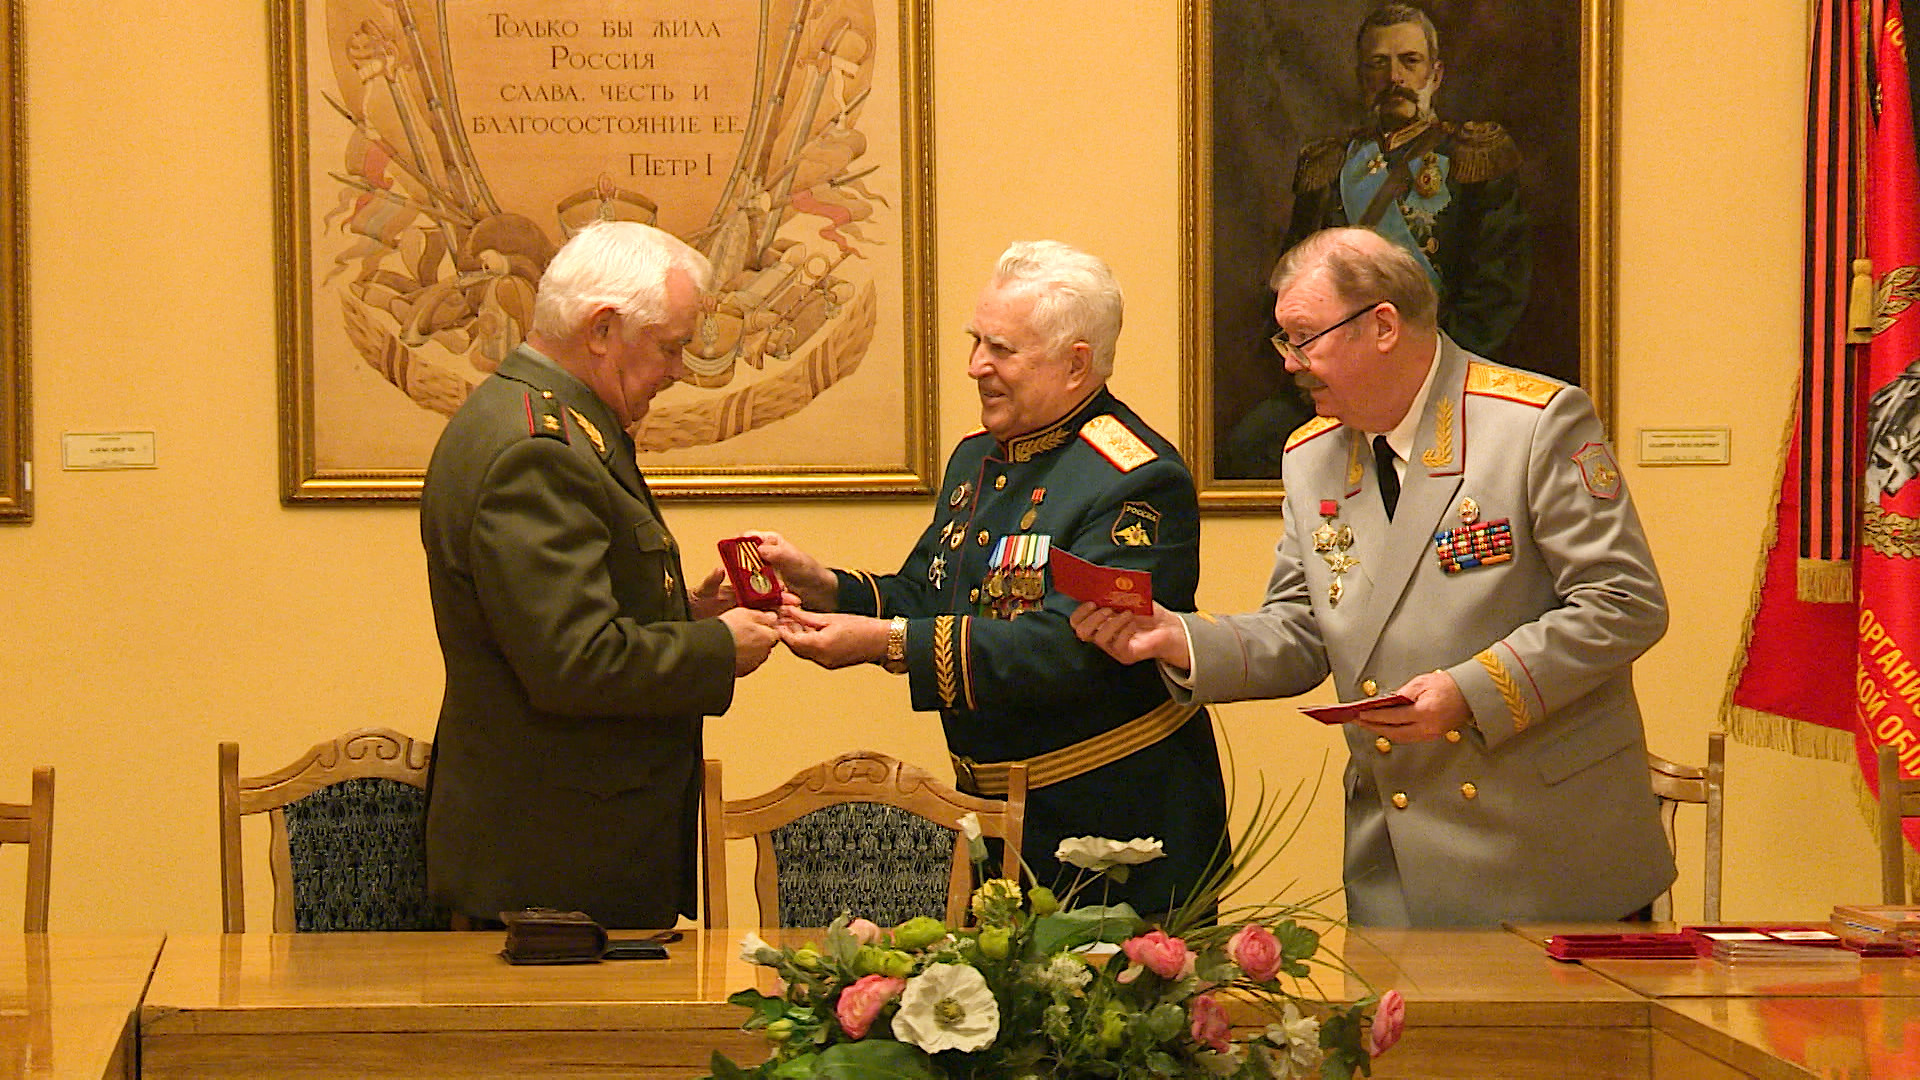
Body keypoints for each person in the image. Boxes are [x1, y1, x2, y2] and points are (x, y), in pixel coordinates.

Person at [1072, 228, 1673, 927]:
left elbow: (1624, 604)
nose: (1291, 364)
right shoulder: (1312, 455)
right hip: (1398, 858)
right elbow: (1301, 629)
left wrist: (1469, 692)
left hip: (1548, 854)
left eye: (1303, 338)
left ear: (1382, 325)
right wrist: (1174, 638)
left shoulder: (1532, 424)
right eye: (1283, 342)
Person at [748, 241, 1229, 915]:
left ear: (1075, 364)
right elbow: (932, 592)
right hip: (992, 826)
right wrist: (825, 586)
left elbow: (1068, 647)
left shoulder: (1136, 479)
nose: (976, 366)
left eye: (1001, 350)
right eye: (977, 341)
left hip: (1117, 832)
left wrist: (885, 643)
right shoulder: (979, 459)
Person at [419, 220, 781, 929]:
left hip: (566, 859)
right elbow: (574, 662)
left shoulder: (544, 421)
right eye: (670, 347)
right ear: (602, 329)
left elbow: (574, 619)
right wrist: (718, 649)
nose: (678, 369)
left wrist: (689, 620)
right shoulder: (538, 449)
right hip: (554, 873)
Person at [1282, 2, 1529, 359]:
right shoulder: (1329, 166)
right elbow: (1293, 282)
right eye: (1378, 63)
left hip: (1439, 364)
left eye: (1410, 61)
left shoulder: (1474, 158)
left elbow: (1497, 293)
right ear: (1362, 77)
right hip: (1338, 364)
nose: (1394, 77)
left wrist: (1434, 369)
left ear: (1436, 74)